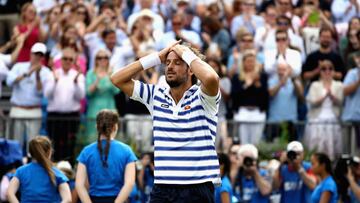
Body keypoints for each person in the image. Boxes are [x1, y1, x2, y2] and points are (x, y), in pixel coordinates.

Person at [110, 41, 221, 202]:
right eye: (167, 62)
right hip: (162, 187)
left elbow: (211, 77)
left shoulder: (204, 97)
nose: (169, 67)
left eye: (177, 63)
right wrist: (156, 57)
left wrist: (186, 54)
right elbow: (116, 79)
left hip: (197, 187)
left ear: (191, 69)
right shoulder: (155, 95)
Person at [76, 110, 137, 203]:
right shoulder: (126, 150)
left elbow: (79, 185)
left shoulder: (86, 151)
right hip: (118, 199)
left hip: (93, 199)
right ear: (115, 127)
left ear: (97, 127)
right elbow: (130, 183)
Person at [6, 42, 52, 154]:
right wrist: (29, 73)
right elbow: (9, 82)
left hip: (34, 110)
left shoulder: (46, 72)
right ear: (31, 54)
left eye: (40, 55)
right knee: (16, 143)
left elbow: (41, 92)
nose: (37, 57)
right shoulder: (19, 67)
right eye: (36, 54)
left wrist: (37, 76)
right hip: (18, 109)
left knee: (33, 145)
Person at [7, 136, 72, 203]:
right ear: (49, 152)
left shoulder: (21, 171)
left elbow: (9, 193)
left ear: (30, 153)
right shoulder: (57, 173)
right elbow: (68, 199)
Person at [304, 60, 343, 160]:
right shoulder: (315, 85)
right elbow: (312, 102)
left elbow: (341, 102)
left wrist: (332, 96)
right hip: (317, 119)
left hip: (333, 119)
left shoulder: (338, 85)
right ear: (320, 71)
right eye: (324, 69)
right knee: (317, 147)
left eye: (330, 69)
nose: (327, 71)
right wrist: (325, 96)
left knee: (332, 148)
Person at [85, 49, 119, 144]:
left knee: (111, 137)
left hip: (110, 106)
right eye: (99, 58)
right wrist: (97, 80)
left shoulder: (112, 73)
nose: (103, 60)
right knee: (93, 138)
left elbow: (117, 91)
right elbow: (88, 92)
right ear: (96, 60)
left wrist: (110, 77)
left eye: (105, 57)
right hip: (94, 109)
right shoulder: (90, 73)